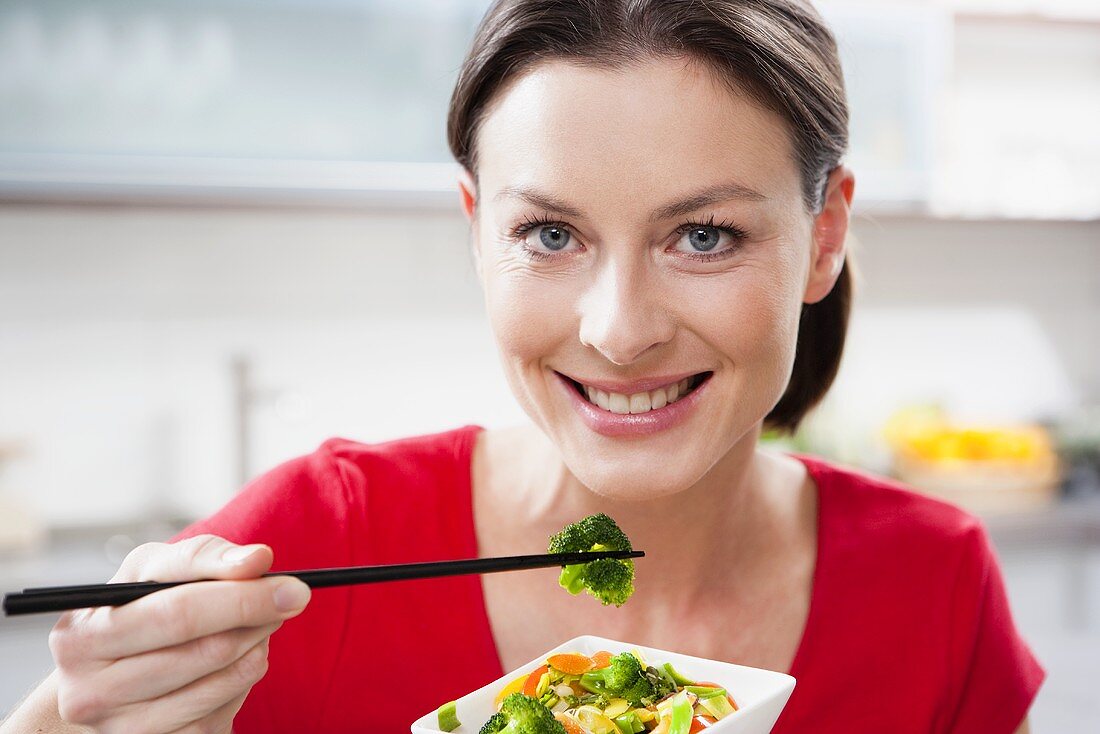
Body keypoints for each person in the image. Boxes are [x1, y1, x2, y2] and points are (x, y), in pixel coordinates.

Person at [1, 1, 1044, 732]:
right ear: (475, 231)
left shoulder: (931, 581)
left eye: (705, 235)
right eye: (550, 234)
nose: (618, 329)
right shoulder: (306, 548)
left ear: (821, 237)